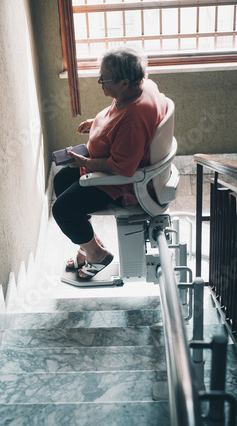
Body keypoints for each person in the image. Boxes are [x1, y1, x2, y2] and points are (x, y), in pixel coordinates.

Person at [52, 45, 168, 280]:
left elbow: (123, 168)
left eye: (103, 79)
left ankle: (97, 255)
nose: (100, 82)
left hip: (118, 183)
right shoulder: (143, 87)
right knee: (61, 180)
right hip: (109, 166)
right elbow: (118, 115)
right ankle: (89, 244)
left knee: (62, 209)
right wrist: (96, 122)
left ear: (125, 83)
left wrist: (85, 162)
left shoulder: (135, 119)